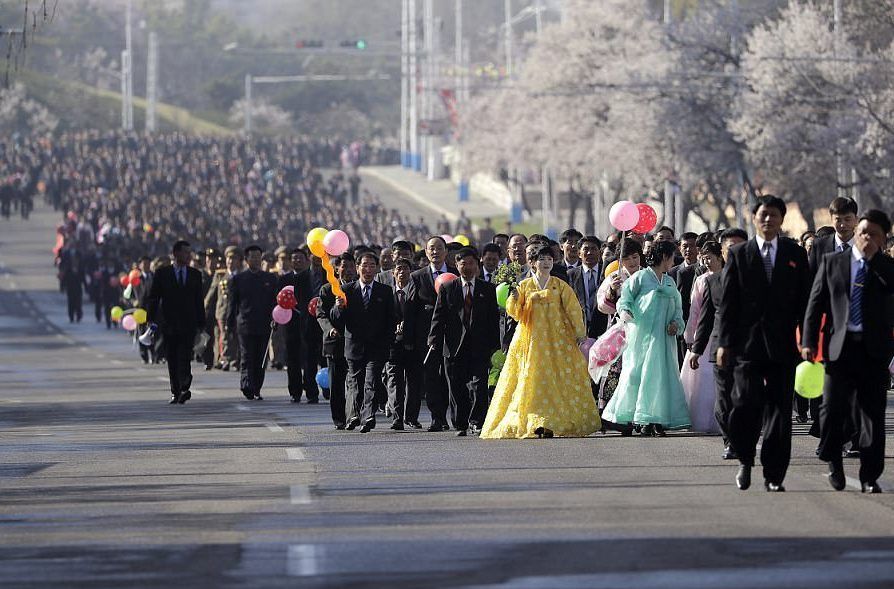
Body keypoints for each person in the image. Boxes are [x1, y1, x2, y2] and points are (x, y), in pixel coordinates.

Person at [717, 195, 811, 492]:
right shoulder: (740, 254)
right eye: (763, 215)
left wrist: (806, 339)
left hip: (784, 346)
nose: (768, 219)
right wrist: (724, 343)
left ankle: (774, 475)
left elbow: (806, 301)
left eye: (773, 215)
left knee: (780, 412)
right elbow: (729, 303)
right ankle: (745, 458)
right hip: (747, 346)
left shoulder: (794, 253)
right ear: (754, 218)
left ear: (781, 219)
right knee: (744, 403)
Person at [802, 209, 894, 494]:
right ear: (856, 232)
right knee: (831, 412)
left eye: (874, 235)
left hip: (874, 351)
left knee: (872, 415)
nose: (867, 238)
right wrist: (808, 342)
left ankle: (870, 474)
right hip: (838, 349)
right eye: (864, 232)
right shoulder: (833, 262)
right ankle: (834, 463)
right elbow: (815, 305)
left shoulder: (888, 269)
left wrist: (873, 264)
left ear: (883, 239)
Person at [480, 244, 601, 439]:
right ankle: (532, 419)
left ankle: (555, 420)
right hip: (531, 339)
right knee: (530, 377)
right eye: (542, 260)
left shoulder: (559, 285)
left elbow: (573, 309)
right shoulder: (524, 285)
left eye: (549, 260)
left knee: (557, 377)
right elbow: (516, 313)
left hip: (556, 339)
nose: (546, 263)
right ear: (533, 263)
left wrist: (579, 334)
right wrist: (513, 298)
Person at [602, 240, 691, 436]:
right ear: (665, 257)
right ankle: (640, 419)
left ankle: (658, 420)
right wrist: (626, 313)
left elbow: (678, 309)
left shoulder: (669, 281)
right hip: (641, 338)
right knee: (638, 376)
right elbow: (624, 301)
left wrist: (677, 324)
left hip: (664, 340)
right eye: (671, 257)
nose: (672, 261)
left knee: (661, 377)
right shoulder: (640, 278)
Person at [429, 247, 501, 436]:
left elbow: (493, 319)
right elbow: (439, 316)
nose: (467, 267)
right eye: (463, 263)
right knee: (457, 387)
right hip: (453, 347)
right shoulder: (447, 288)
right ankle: (460, 423)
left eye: (471, 263)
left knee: (479, 385)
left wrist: (495, 345)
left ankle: (477, 421)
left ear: (477, 265)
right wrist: (434, 339)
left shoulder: (487, 289)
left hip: (480, 346)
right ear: (456, 265)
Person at [689, 228, 748, 459]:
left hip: (750, 348)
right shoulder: (712, 281)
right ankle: (730, 441)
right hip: (720, 348)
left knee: (744, 398)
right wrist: (696, 350)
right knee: (723, 401)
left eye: (739, 246)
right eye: (729, 247)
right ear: (722, 251)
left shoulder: (758, 279)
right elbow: (705, 319)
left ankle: (744, 436)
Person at [804, 197, 859, 432]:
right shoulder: (820, 246)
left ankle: (850, 436)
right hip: (827, 328)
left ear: (856, 219)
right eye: (838, 220)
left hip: (858, 329)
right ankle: (825, 428)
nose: (843, 225)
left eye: (848, 220)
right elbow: (812, 291)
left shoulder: (865, 247)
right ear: (831, 219)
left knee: (854, 388)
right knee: (827, 385)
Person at [331, 252, 396, 433]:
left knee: (371, 381)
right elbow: (336, 319)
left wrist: (388, 342)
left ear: (376, 268)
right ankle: (356, 414)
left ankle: (368, 416)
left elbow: (391, 319)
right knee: (357, 383)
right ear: (357, 268)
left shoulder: (385, 291)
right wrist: (339, 307)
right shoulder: (347, 290)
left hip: (377, 346)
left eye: (372, 266)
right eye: (364, 266)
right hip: (354, 346)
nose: (368, 270)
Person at [145, 240, 205, 404]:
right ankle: (175, 391)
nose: (188, 256)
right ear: (176, 253)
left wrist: (201, 324)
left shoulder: (195, 274)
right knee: (172, 357)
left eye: (189, 253)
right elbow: (154, 297)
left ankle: (185, 387)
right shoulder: (162, 273)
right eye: (186, 252)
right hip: (169, 323)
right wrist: (149, 319)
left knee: (185, 356)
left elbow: (199, 300)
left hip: (188, 323)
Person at [409, 236, 456, 431]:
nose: (435, 252)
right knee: (431, 378)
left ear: (446, 252)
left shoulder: (455, 273)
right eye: (431, 249)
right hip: (427, 335)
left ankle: (455, 417)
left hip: (452, 334)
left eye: (439, 248)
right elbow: (411, 309)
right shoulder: (417, 276)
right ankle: (437, 417)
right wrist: (410, 338)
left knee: (451, 376)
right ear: (426, 252)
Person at [595, 239, 642, 419]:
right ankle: (609, 412)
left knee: (639, 368)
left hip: (643, 329)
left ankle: (639, 411)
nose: (632, 262)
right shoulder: (614, 277)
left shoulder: (647, 276)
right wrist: (612, 291)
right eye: (627, 258)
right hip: (621, 330)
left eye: (635, 257)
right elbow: (602, 306)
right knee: (616, 369)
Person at [680, 241, 723, 433]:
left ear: (720, 257)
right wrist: (690, 335)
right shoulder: (701, 280)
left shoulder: (730, 276)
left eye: (709, 258)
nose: (706, 262)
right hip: (704, 335)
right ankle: (703, 420)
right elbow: (695, 311)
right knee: (703, 378)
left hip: (724, 333)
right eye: (703, 258)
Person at [228, 245, 278, 401]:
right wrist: (230, 323)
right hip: (245, 324)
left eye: (258, 256)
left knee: (260, 359)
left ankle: (256, 388)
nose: (256, 259)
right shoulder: (238, 279)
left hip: (264, 325)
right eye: (252, 256)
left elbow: (274, 303)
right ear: (246, 259)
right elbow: (232, 304)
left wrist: (275, 320)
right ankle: (246, 385)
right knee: (246, 356)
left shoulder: (270, 279)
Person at [316, 253, 357, 429]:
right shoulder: (327, 290)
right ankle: (339, 419)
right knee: (337, 385)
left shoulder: (359, 287)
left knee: (356, 383)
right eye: (344, 266)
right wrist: (330, 329)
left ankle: (354, 415)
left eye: (351, 266)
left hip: (356, 342)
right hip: (335, 343)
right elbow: (321, 314)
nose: (347, 270)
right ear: (336, 269)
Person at [385, 257, 421, 429]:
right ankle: (397, 417)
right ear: (393, 273)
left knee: (413, 383)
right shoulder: (386, 293)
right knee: (394, 382)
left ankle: (411, 417)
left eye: (406, 268)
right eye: (398, 269)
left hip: (413, 345)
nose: (402, 272)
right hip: (392, 345)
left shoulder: (418, 292)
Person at [204, 246, 242, 371]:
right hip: (223, 311)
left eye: (234, 258)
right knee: (224, 335)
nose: (230, 261)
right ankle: (226, 359)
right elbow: (211, 294)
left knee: (237, 336)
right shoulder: (220, 276)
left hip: (238, 312)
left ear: (239, 261)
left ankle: (235, 360)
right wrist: (204, 308)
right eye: (229, 258)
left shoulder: (242, 276)